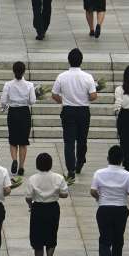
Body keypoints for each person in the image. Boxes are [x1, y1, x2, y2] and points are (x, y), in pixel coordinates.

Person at [91, 146, 129, 256]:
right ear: (122, 160)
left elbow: (93, 191)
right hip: (120, 210)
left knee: (104, 239)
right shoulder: (127, 175)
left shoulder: (99, 173)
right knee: (118, 239)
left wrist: (99, 198)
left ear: (108, 158)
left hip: (104, 209)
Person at [52, 48, 98, 178]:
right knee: (82, 139)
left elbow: (54, 94)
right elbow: (93, 96)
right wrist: (85, 98)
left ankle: (70, 169)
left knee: (69, 141)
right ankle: (80, 162)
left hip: (68, 110)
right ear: (81, 61)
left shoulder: (62, 76)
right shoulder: (88, 77)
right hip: (83, 111)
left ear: (69, 61)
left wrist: (64, 100)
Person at [25, 153, 68, 256]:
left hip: (38, 209)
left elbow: (28, 197)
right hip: (53, 208)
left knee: (37, 241)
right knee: (51, 237)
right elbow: (65, 194)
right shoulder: (58, 178)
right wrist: (54, 194)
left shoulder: (33, 179)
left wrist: (30, 205)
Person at [0, 61, 36, 176]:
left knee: (13, 140)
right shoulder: (29, 85)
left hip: (13, 112)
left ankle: (14, 160)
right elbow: (32, 101)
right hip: (24, 112)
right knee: (23, 142)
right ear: (24, 71)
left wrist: (4, 107)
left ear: (13, 71)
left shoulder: (8, 84)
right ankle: (21, 166)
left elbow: (3, 101)